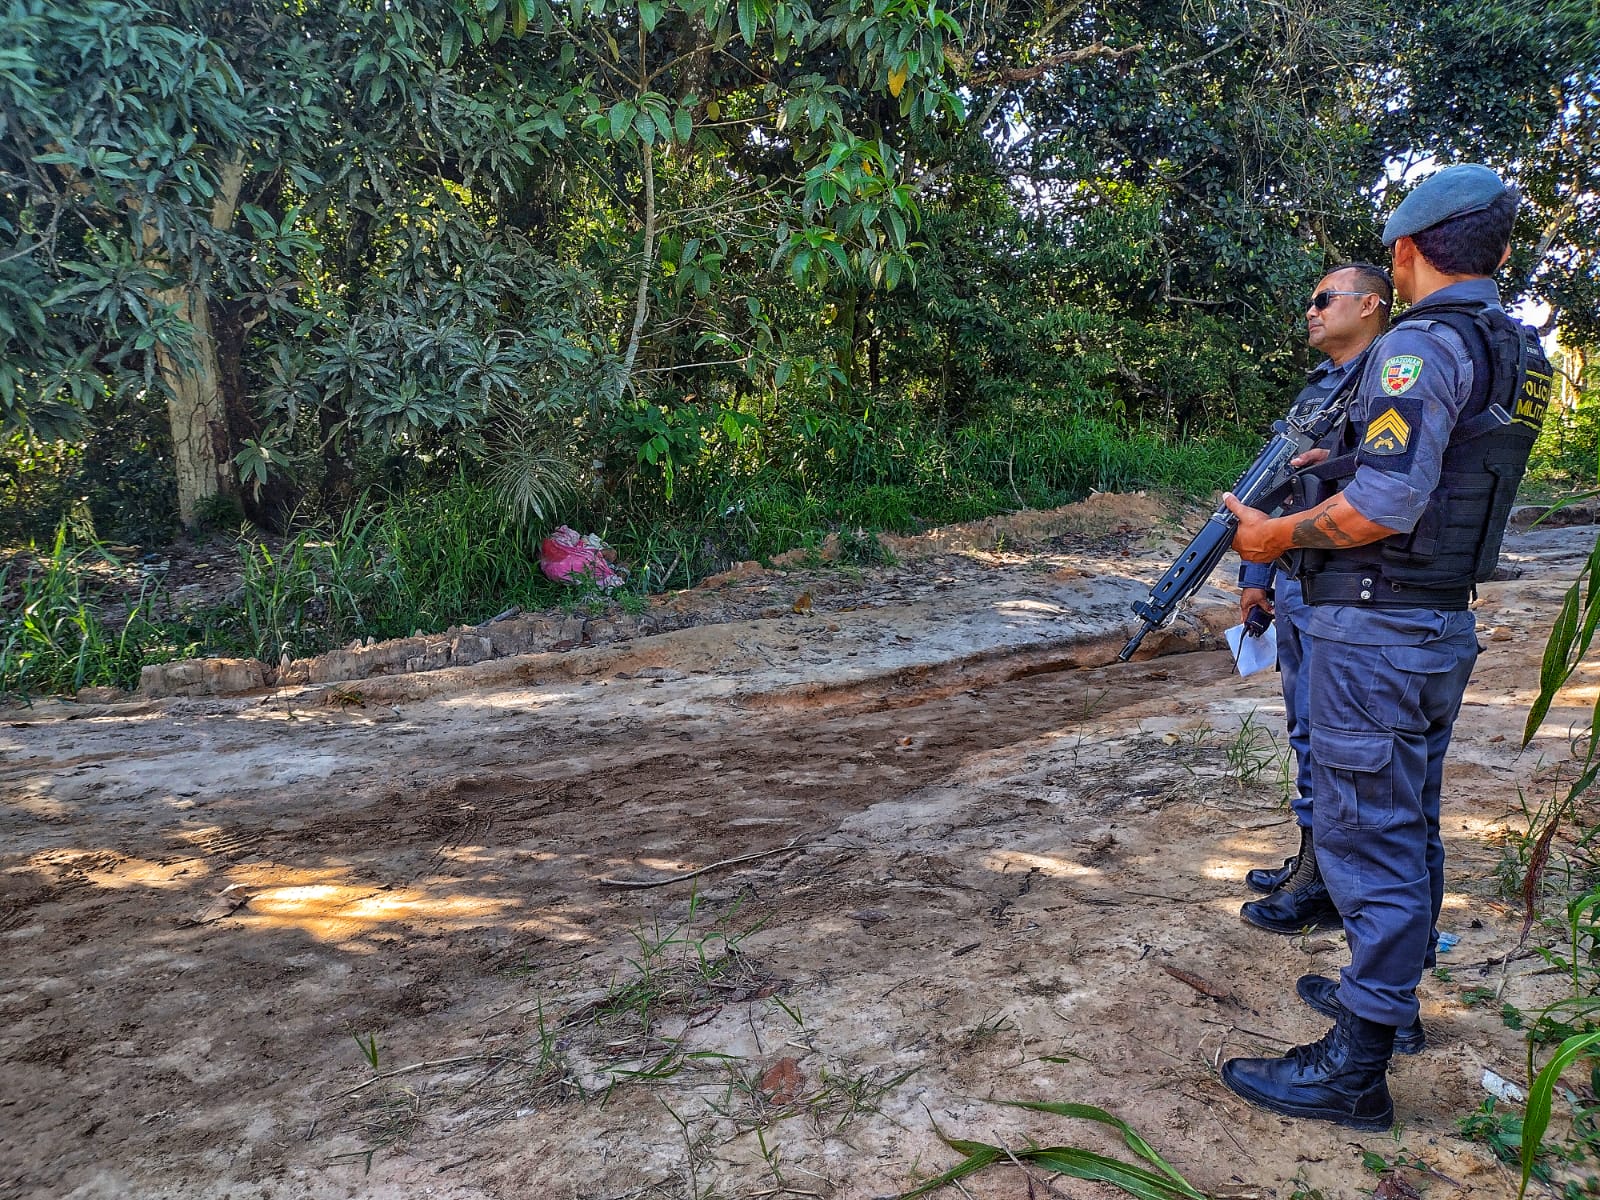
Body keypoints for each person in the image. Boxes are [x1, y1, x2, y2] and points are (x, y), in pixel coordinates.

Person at [1218, 164, 1553, 1130]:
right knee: (1408, 822)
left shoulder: (1417, 344)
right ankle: (1389, 1006)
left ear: (1405, 252)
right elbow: (1446, 470)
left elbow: (1389, 505)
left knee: (1370, 836)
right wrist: (1341, 461)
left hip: (1376, 623)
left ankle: (1356, 1067)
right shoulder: (1517, 348)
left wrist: (1273, 537)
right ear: (1497, 249)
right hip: (1434, 621)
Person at [1236, 264, 1392, 937]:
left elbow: (1387, 492)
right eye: (1311, 301)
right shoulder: (1319, 388)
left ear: (1371, 304)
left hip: (1351, 589)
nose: (1312, 310)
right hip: (1299, 583)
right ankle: (1312, 859)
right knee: (1305, 731)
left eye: (1325, 299)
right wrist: (1256, 578)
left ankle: (1326, 878)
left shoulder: (1391, 379)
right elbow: (1274, 490)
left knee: (1336, 742)